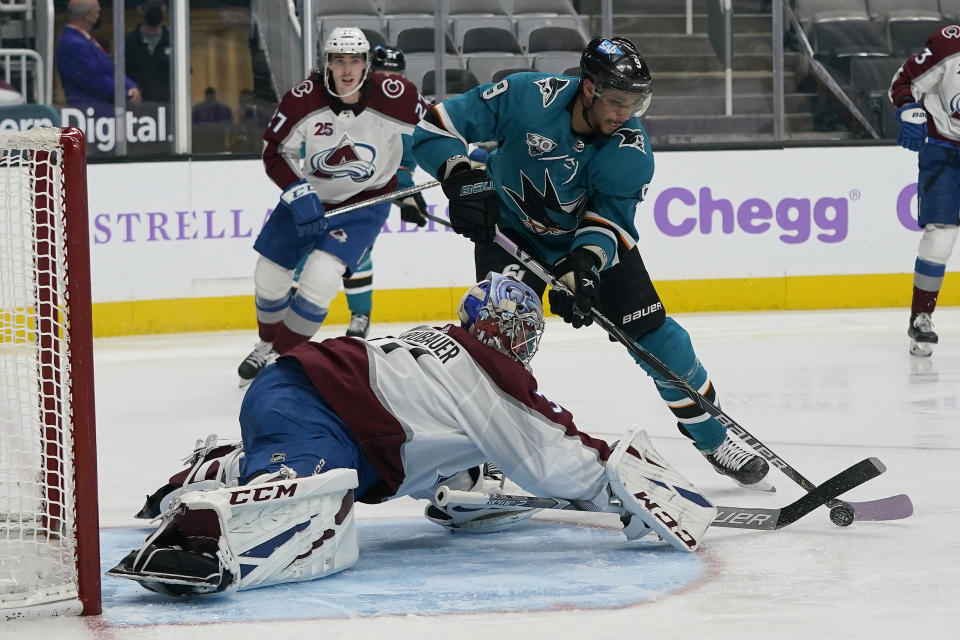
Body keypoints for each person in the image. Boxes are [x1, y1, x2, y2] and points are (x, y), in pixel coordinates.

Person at [107, 274, 716, 595]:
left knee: (340, 480)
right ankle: (195, 542)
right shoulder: (489, 370)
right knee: (320, 519)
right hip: (316, 407)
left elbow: (442, 451)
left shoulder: (447, 347)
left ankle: (220, 467)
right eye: (522, 333)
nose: (522, 346)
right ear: (513, 334)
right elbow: (554, 455)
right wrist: (621, 490)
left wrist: (469, 488)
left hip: (314, 409)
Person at [412, 36, 771, 490]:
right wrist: (459, 176)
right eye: (618, 101)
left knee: (659, 339)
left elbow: (611, 220)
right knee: (494, 338)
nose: (625, 114)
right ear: (588, 88)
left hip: (585, 248)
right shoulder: (525, 95)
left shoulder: (631, 149)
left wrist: (583, 265)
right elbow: (435, 127)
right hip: (510, 233)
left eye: (636, 102)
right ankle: (492, 451)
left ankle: (715, 439)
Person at [236, 28, 432, 386]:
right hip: (308, 198)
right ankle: (265, 344)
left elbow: (436, 129)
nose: (347, 69)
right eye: (339, 60)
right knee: (268, 276)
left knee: (321, 278)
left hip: (363, 203)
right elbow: (276, 152)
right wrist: (297, 191)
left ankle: (281, 359)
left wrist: (468, 162)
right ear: (325, 63)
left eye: (355, 60)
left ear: (366, 64)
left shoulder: (395, 95)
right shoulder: (302, 98)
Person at [339, 44, 430, 340]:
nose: (389, 80)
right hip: (342, 184)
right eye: (382, 73)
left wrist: (407, 195)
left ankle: (360, 316)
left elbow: (407, 162)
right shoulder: (347, 103)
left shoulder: (411, 108)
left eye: (394, 74)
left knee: (359, 246)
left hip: (375, 189)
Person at [889, 25, 960, 357]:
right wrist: (908, 108)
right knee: (941, 235)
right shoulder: (950, 44)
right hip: (944, 149)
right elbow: (902, 82)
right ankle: (922, 317)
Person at [56, 0, 142, 116]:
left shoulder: (86, 40)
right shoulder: (73, 44)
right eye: (97, 12)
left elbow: (111, 71)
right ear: (88, 17)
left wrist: (130, 86)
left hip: (103, 112)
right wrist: (126, 92)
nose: (99, 16)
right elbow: (95, 80)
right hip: (90, 115)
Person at [125, 0, 171, 104]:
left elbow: (186, 75)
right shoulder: (128, 43)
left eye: (159, 5)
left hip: (169, 108)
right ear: (140, 9)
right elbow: (119, 75)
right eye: (151, 6)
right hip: (136, 109)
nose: (155, 9)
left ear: (165, 9)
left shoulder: (175, 41)